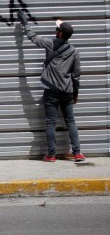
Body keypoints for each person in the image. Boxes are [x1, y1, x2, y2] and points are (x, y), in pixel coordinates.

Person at [17, 11, 85, 162]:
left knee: (51, 122)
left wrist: (25, 24)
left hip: (51, 91)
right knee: (71, 121)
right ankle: (78, 153)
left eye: (57, 30)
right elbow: (76, 75)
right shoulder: (74, 52)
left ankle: (51, 155)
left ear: (60, 34)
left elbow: (33, 38)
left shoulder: (50, 44)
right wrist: (76, 94)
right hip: (67, 92)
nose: (55, 31)